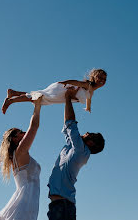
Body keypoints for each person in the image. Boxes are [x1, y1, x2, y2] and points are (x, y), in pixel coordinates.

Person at [47, 87, 105, 220]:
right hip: (60, 205)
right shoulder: (73, 148)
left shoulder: (81, 151)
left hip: (63, 206)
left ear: (91, 143)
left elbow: (71, 123)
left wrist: (68, 97)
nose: (86, 132)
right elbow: (67, 127)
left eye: (89, 134)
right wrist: (67, 101)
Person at [0, 98, 42, 220]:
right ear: (14, 139)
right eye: (21, 132)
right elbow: (33, 127)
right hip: (23, 208)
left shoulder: (18, 155)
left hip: (26, 206)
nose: (24, 133)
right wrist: (37, 106)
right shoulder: (20, 152)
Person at [2, 69, 107, 114]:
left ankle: (14, 93)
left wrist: (88, 108)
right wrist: (66, 81)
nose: (102, 80)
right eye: (100, 78)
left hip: (62, 97)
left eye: (104, 79)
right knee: (39, 97)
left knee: (41, 95)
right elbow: (76, 83)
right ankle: (11, 100)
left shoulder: (91, 91)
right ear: (93, 77)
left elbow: (88, 99)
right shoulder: (88, 85)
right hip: (62, 90)